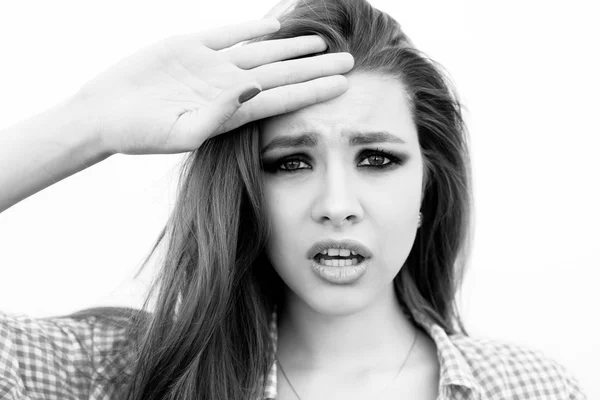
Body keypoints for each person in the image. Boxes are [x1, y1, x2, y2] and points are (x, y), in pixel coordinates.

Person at [0, 0, 587, 399]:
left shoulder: (529, 386)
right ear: (248, 194)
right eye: (291, 162)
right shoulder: (123, 375)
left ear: (428, 187)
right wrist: (87, 124)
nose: (336, 205)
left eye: (377, 159)